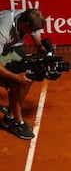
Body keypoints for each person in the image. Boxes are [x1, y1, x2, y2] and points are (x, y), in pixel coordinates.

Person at [0, 9, 45, 140]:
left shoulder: (30, 20)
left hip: (10, 48)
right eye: (32, 30)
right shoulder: (3, 28)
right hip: (2, 50)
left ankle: (9, 117)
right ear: (25, 24)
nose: (33, 32)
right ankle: (17, 122)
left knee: (29, 75)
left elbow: (39, 43)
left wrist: (44, 52)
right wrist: (15, 77)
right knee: (16, 82)